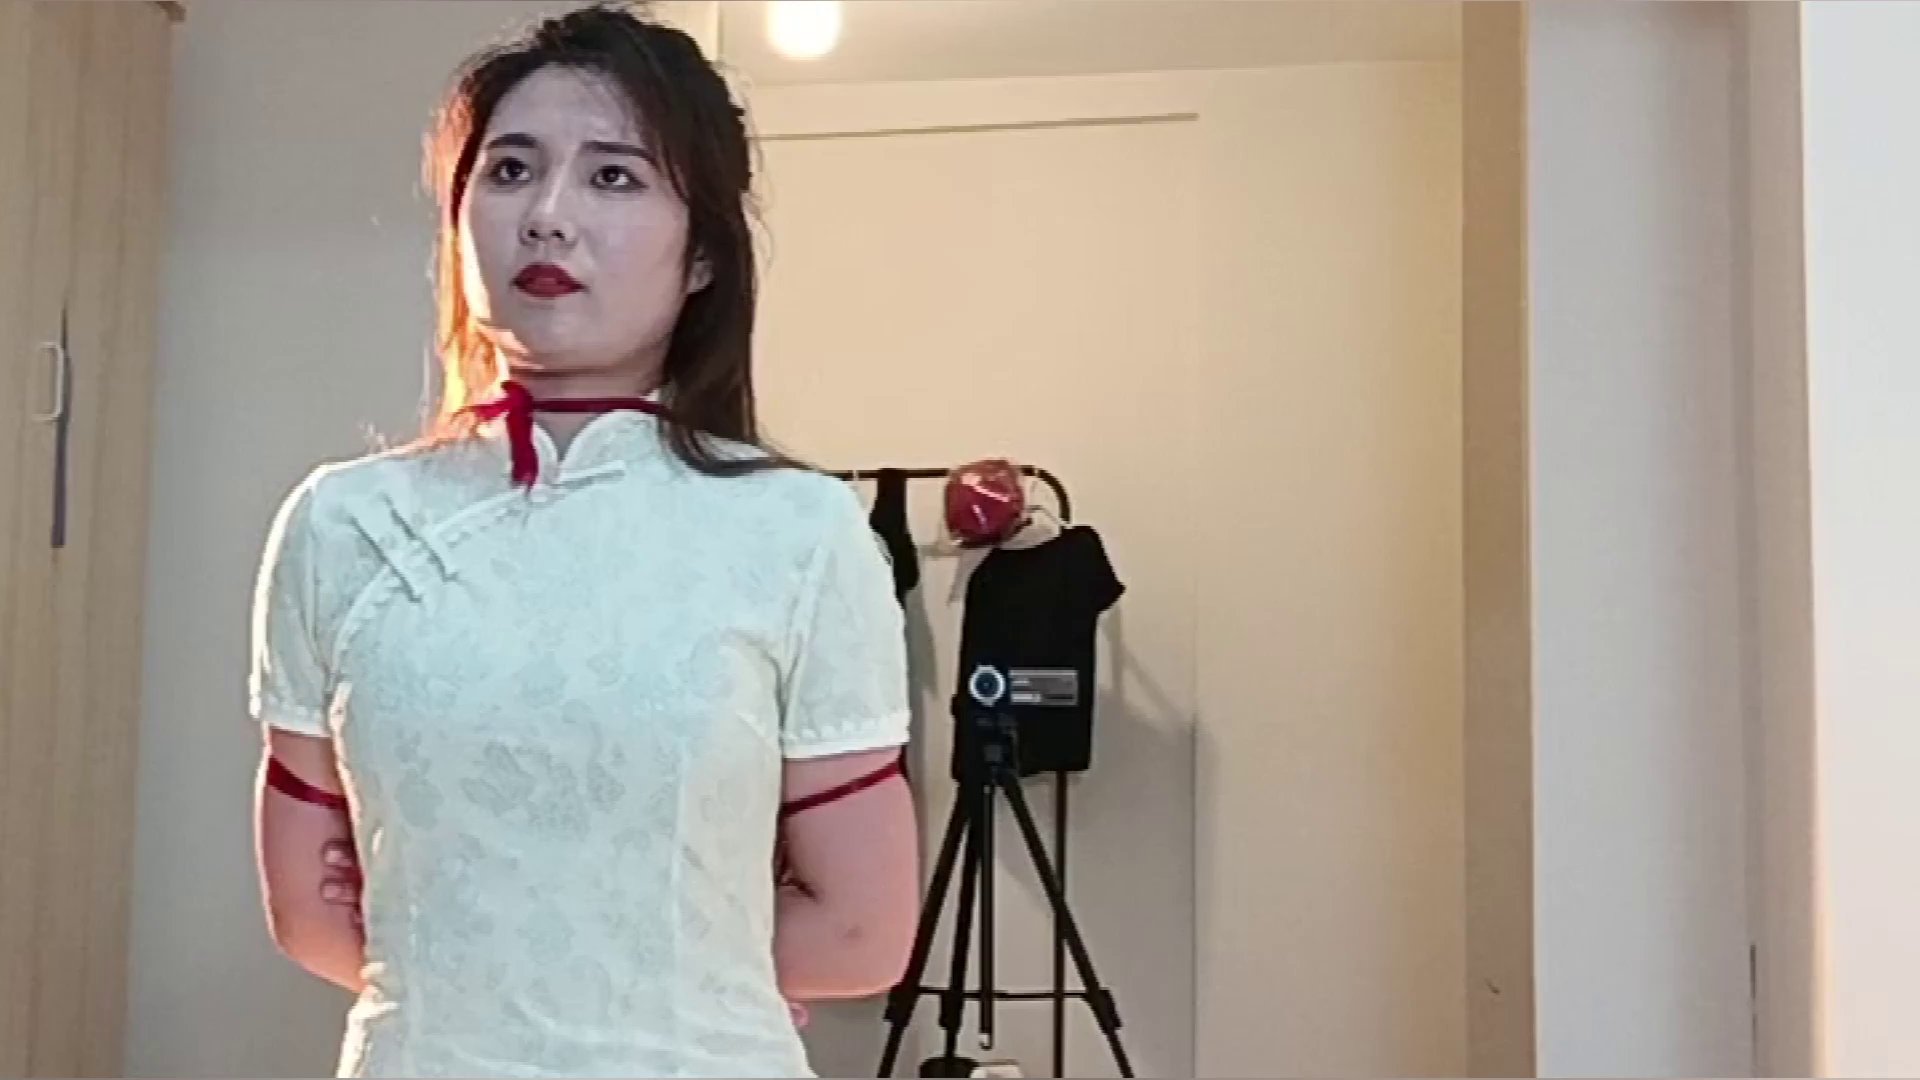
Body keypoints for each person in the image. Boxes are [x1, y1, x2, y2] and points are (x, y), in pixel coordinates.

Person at [246, 4, 920, 1075]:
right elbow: (310, 913)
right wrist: (692, 945)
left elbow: (861, 931)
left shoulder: (798, 530)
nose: (548, 216)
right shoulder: (345, 521)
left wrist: (562, 965)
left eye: (614, 176)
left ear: (703, 256)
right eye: (511, 171)